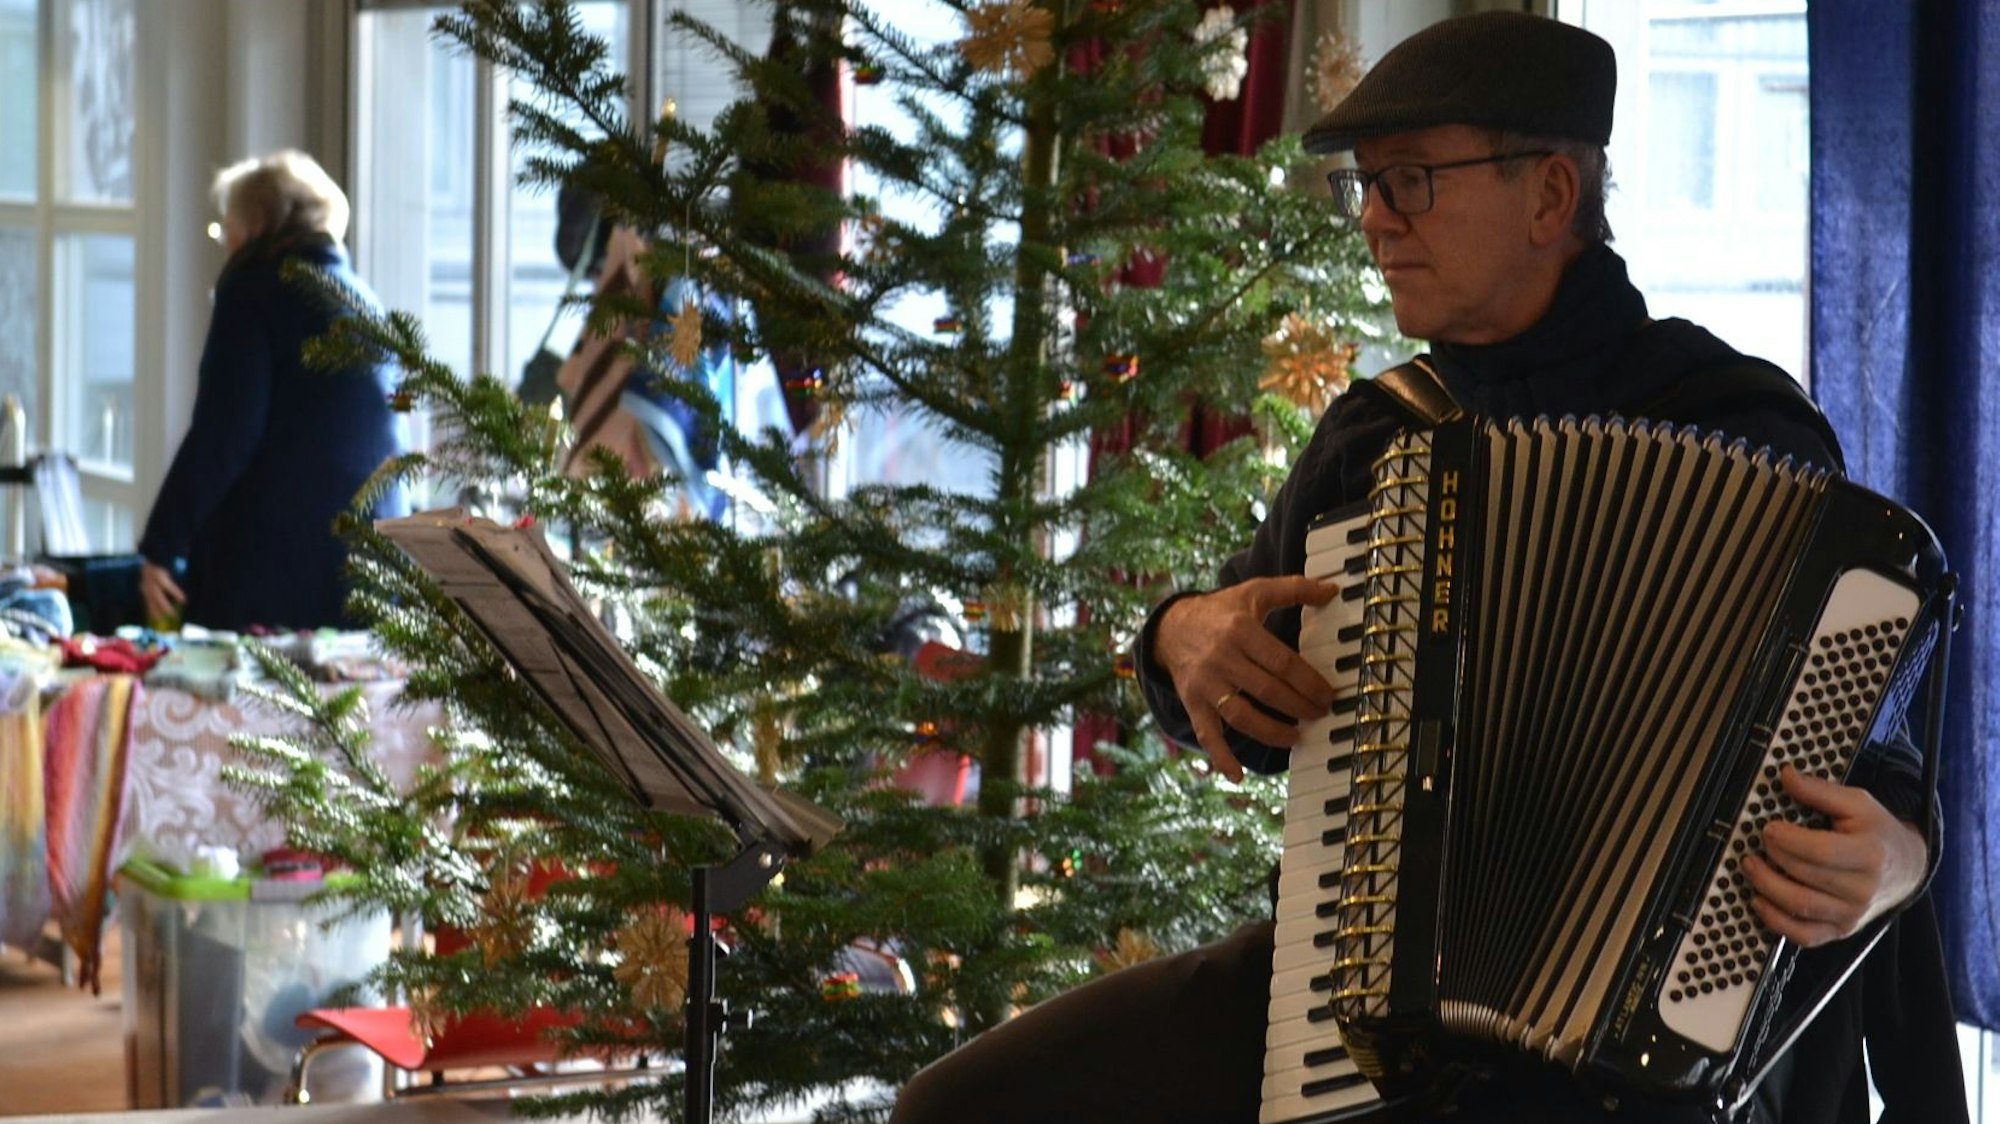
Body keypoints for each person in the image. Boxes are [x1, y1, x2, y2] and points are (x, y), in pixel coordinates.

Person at [889, 13, 1965, 1124]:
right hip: (1353, 994)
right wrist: (1178, 634)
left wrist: (1896, 856)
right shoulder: (1375, 437)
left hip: (1653, 1050)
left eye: (1409, 181)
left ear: (1549, 196)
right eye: (1365, 186)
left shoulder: (1740, 432)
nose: (1372, 218)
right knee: (958, 1108)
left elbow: (1869, 751)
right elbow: (1242, 707)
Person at [137, 150, 409, 633]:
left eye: (225, 230)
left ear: (256, 226)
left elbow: (224, 434)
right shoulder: (364, 300)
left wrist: (162, 544)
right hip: (375, 569)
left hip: (281, 576)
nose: (225, 244)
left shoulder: (253, 291)